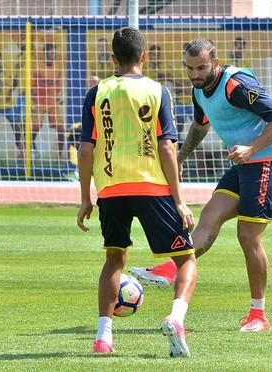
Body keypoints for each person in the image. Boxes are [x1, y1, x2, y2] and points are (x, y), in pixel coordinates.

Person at [129, 38, 272, 333]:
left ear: (215, 62)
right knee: (209, 217)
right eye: (190, 68)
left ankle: (259, 316)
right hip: (243, 165)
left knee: (248, 236)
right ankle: (169, 270)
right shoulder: (198, 90)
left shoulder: (236, 85)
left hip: (269, 161)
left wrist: (252, 149)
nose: (196, 74)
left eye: (202, 67)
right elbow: (200, 126)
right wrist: (181, 156)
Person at [76, 26, 197, 357]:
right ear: (144, 56)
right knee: (186, 260)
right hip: (153, 187)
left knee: (114, 257)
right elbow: (167, 148)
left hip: (112, 188)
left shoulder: (97, 92)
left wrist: (86, 197)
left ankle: (103, 337)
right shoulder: (157, 91)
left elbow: (86, 150)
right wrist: (180, 200)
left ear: (113, 58)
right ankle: (176, 317)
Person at [0, 49, 25, 163]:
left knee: (17, 127)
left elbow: (15, 83)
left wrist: (9, 90)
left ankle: (22, 153)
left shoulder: (8, 71)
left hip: (9, 105)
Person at [32, 43, 65, 163]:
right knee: (34, 129)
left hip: (52, 103)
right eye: (50, 52)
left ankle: (60, 156)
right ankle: (29, 152)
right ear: (46, 54)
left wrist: (60, 97)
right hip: (39, 103)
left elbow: (59, 88)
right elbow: (32, 87)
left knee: (61, 129)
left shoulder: (57, 69)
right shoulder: (38, 69)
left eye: (54, 53)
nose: (52, 55)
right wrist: (32, 102)